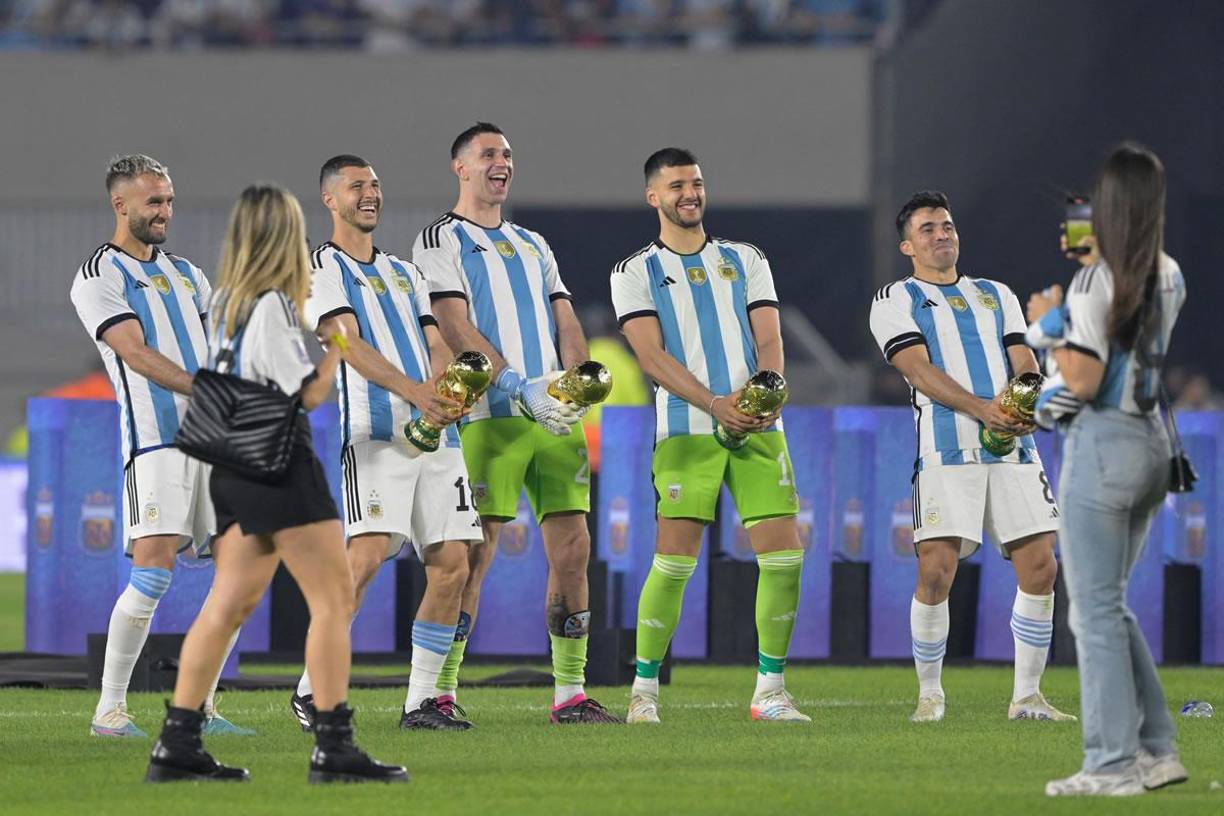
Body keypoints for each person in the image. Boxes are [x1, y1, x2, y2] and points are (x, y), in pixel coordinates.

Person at [144, 183, 406, 784]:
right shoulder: (270, 307)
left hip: (230, 468)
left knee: (229, 603)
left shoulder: (227, 303)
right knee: (334, 600)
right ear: (285, 236)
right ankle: (334, 743)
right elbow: (304, 393)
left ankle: (176, 743)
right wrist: (337, 350)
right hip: (279, 465)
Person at [413, 122, 619, 725]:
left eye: (507, 154)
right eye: (487, 154)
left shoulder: (533, 242)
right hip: (491, 416)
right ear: (460, 167)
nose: (501, 162)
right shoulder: (440, 238)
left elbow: (565, 316)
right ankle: (442, 692)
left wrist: (576, 381)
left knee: (575, 549)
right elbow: (453, 324)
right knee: (475, 557)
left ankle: (570, 694)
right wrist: (514, 385)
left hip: (553, 417)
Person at [610, 147, 808, 724]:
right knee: (674, 564)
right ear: (654, 197)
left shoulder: (745, 258)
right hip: (688, 432)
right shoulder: (634, 271)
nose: (689, 193)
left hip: (757, 426)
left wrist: (766, 390)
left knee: (785, 558)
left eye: (695, 183)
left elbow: (768, 338)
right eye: (675, 186)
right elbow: (650, 355)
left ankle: (769, 691)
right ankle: (643, 691)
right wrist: (715, 404)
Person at [290, 155, 482, 732]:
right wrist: (415, 392)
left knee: (453, 564)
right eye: (357, 187)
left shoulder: (405, 272)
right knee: (367, 557)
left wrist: (449, 390)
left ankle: (422, 702)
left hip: (436, 435)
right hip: (375, 434)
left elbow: (434, 342)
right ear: (330, 199)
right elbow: (346, 343)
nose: (370, 194)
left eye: (375, 185)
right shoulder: (317, 268)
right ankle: (309, 688)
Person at [868, 190, 1073, 724]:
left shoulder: (996, 293)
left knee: (1041, 566)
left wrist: (1027, 399)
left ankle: (1027, 697)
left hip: (1013, 447)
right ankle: (930, 694)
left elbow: (1023, 358)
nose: (942, 235)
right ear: (907, 245)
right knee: (936, 570)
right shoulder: (895, 298)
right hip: (946, 447)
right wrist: (983, 408)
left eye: (948, 226)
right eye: (930, 228)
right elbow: (916, 369)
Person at [69, 154, 250, 739]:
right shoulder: (100, 274)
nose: (164, 211)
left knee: (237, 572)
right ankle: (110, 711)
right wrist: (206, 387)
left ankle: (200, 706)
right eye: (153, 201)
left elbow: (214, 345)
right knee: (153, 572)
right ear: (120, 205)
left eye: (168, 200)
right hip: (157, 442)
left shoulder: (189, 274)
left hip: (212, 444)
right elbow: (134, 351)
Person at [1036, 144, 1188, 797]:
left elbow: (1086, 378)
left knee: (1092, 613)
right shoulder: (1169, 270)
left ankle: (1110, 764)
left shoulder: (1096, 280)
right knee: (1112, 606)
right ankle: (1156, 749)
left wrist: (1048, 329)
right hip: (1153, 442)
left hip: (1104, 444)